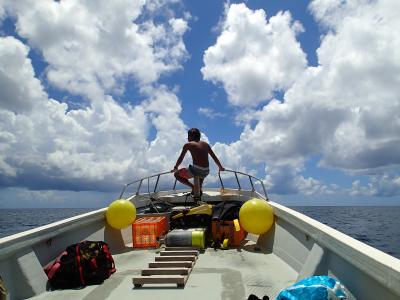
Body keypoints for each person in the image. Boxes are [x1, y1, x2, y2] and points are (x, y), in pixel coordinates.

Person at [172, 128, 225, 195]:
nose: (187, 138)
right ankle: (199, 189)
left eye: (188, 136)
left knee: (176, 174)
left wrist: (176, 167)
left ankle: (193, 187)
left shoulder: (188, 144)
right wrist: (220, 167)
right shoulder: (206, 144)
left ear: (191, 136)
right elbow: (214, 157)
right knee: (200, 172)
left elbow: (181, 158)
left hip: (196, 170)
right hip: (206, 171)